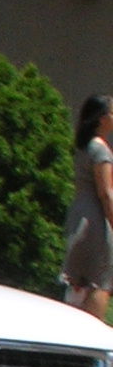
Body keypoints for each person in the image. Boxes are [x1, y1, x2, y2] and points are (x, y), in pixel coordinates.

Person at [64, 94, 113, 319]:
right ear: (102, 119)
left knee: (78, 283)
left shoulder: (83, 147)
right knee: (100, 281)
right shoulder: (101, 149)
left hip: (79, 217)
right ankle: (94, 339)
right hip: (97, 221)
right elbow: (105, 193)